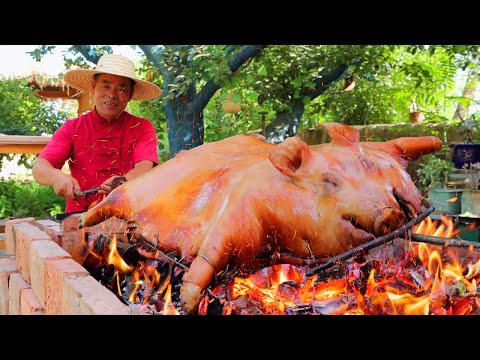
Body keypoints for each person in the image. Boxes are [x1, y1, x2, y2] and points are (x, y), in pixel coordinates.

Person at [32, 54, 162, 213]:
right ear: (93, 87)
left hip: (129, 217)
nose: (112, 94)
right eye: (105, 86)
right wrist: (56, 177)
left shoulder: (141, 127)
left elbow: (145, 167)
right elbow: (39, 168)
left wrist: (123, 181)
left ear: (130, 94)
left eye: (122, 88)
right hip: (79, 218)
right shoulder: (72, 128)